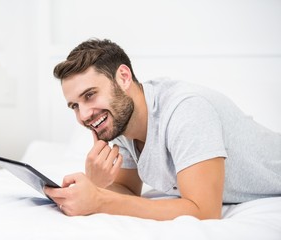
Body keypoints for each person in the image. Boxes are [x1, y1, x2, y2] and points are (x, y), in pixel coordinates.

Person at [44, 38, 281, 221]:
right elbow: (127, 189)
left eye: (90, 95)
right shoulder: (121, 121)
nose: (84, 115)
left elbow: (205, 212)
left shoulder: (186, 110)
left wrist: (100, 200)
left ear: (124, 77)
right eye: (75, 105)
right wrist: (96, 185)